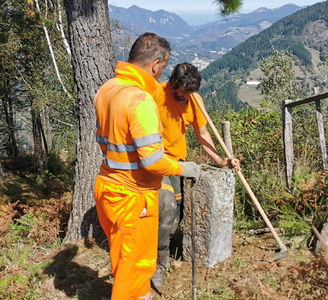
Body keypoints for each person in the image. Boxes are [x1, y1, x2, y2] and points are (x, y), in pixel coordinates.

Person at [94, 33, 201, 300]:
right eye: (162, 68)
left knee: (123, 262)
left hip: (108, 188)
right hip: (134, 197)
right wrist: (183, 169)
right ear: (155, 65)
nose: (160, 75)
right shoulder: (140, 101)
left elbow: (105, 142)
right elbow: (152, 160)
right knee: (136, 271)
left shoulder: (107, 89)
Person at [150, 62, 240, 287]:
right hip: (156, 162)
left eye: (188, 95)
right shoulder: (155, 95)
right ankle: (159, 262)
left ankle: (163, 251)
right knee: (166, 208)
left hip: (178, 163)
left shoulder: (195, 101)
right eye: (181, 96)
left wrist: (220, 161)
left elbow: (202, 133)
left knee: (176, 213)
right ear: (172, 84)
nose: (184, 99)